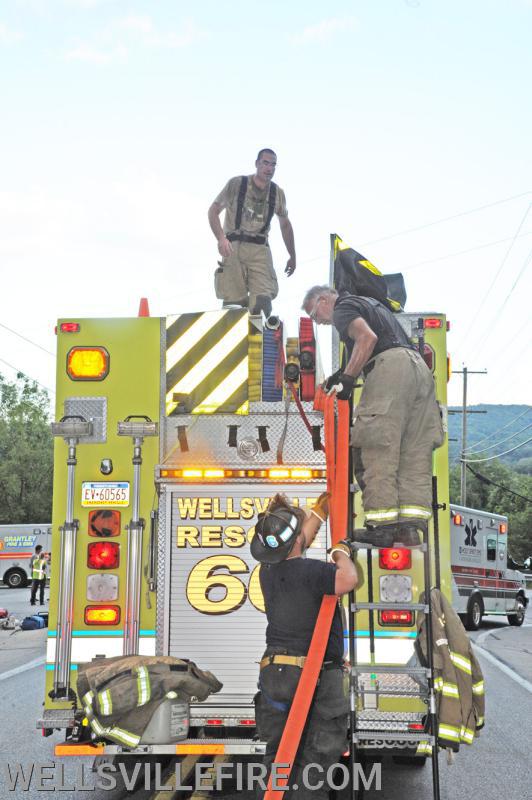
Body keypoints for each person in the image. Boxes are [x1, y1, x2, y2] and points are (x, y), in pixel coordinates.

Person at [302, 286, 445, 548]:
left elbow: (366, 339)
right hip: (419, 372)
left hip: (390, 370)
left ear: (324, 300)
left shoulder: (343, 308)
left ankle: (382, 528)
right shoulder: (370, 304)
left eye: (314, 314)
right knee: (412, 453)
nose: (319, 321)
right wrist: (342, 372)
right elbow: (377, 338)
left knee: (375, 448)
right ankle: (408, 530)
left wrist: (347, 380)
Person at [251, 493, 360, 799]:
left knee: (280, 756)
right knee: (317, 758)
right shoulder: (314, 572)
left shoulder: (268, 571)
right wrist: (341, 552)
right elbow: (348, 579)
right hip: (314, 676)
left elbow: (296, 542)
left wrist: (320, 513)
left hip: (276, 674)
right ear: (298, 539)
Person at [208, 148, 296, 317]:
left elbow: (285, 225)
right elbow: (213, 211)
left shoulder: (277, 193)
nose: (269, 168)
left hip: (260, 250)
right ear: (257, 164)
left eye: (273, 165)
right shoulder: (237, 184)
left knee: (263, 305)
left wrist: (292, 256)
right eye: (265, 163)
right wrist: (221, 238)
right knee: (233, 305)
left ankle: (259, 341)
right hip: (233, 247)